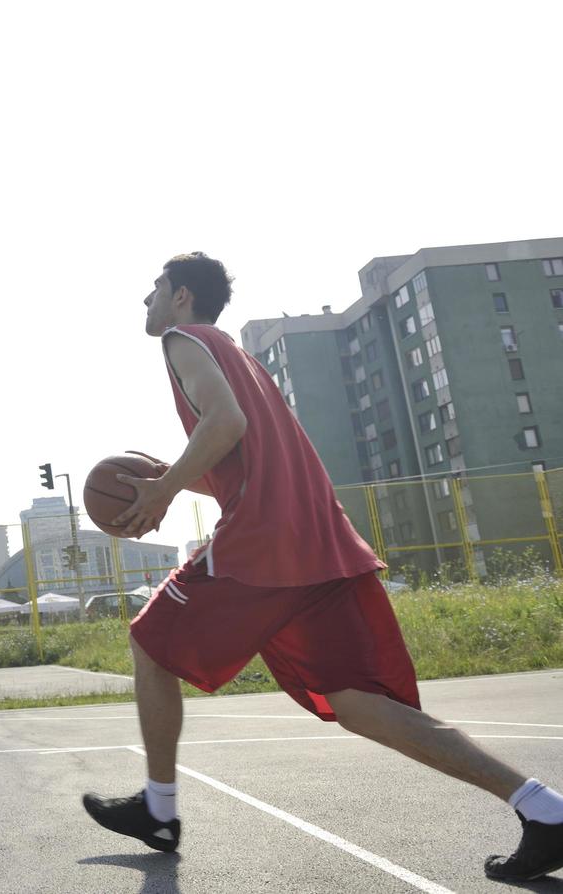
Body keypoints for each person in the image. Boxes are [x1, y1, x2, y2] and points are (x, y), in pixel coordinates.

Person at [81, 253, 563, 882]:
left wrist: (165, 487)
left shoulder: (183, 340)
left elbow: (227, 424)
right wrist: (174, 476)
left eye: (153, 290)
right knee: (359, 705)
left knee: (149, 641)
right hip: (317, 540)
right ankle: (543, 809)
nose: (145, 301)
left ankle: (159, 810)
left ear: (181, 297)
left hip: (262, 546)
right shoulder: (237, 353)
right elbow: (245, 455)